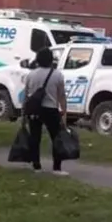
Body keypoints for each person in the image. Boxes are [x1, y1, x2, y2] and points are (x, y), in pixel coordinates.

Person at [24, 47, 69, 175]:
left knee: (35, 137)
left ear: (37, 60)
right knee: (56, 137)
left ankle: (36, 165)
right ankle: (57, 167)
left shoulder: (31, 74)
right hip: (51, 109)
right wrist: (64, 113)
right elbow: (61, 96)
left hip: (34, 110)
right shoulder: (57, 75)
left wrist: (23, 113)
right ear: (51, 60)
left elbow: (27, 95)